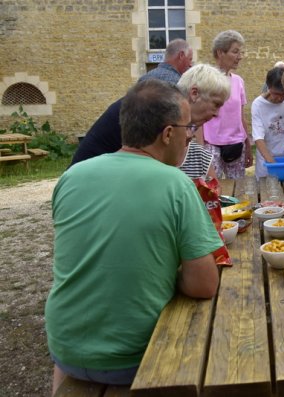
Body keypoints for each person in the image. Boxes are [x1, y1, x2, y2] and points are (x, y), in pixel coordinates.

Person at [46, 80, 222, 394]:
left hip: (64, 346)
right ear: (168, 134)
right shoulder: (175, 183)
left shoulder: (71, 176)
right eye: (188, 128)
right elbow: (204, 285)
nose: (190, 135)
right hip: (132, 356)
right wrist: (169, 273)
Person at [70, 63, 229, 167]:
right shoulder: (159, 108)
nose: (216, 114)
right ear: (194, 93)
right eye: (216, 104)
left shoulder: (166, 104)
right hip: (90, 182)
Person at [202, 30, 253, 179]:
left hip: (237, 144)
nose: (240, 57)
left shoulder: (239, 81)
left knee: (238, 189)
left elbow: (241, 116)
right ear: (220, 53)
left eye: (241, 52)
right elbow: (199, 117)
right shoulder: (206, 80)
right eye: (235, 52)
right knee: (212, 191)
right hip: (211, 145)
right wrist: (200, 148)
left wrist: (248, 146)